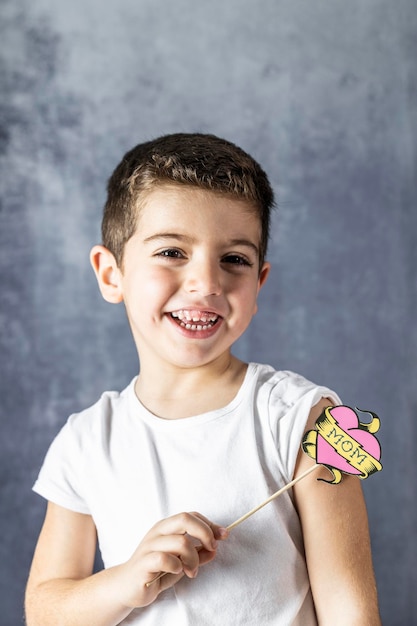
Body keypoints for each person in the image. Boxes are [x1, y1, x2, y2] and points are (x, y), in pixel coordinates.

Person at [25, 133, 381, 625]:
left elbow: (352, 614)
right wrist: (128, 581)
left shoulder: (305, 420)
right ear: (112, 275)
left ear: (258, 284)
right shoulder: (86, 441)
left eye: (234, 259)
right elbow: (45, 610)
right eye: (172, 251)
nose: (207, 283)